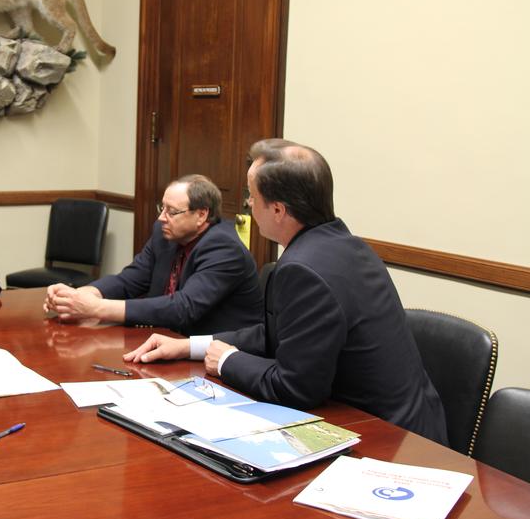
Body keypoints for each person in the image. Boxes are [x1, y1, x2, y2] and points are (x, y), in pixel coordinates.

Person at [124, 140, 448, 444]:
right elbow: (276, 335)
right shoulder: (343, 244)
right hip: (404, 426)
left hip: (384, 438)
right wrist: (188, 347)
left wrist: (227, 361)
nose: (249, 205)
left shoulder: (302, 269)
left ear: (278, 210)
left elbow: (294, 387)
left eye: (252, 196)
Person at [45, 174, 263, 336]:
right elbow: (130, 279)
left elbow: (183, 308)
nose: (161, 218)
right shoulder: (165, 233)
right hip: (167, 339)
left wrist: (96, 309)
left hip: (214, 354)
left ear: (201, 214)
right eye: (162, 208)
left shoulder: (224, 247)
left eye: (172, 211)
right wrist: (82, 295)